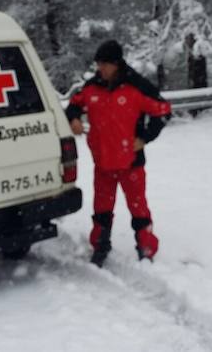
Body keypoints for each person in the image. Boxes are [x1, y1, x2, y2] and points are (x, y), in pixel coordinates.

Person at [66, 40, 172, 267]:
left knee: (138, 207)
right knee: (101, 209)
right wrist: (74, 118)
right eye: (98, 64)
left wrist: (144, 137)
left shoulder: (136, 86)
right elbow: (73, 105)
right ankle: (100, 246)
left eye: (104, 64)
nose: (100, 69)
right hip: (102, 162)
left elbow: (163, 111)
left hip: (130, 162)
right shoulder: (91, 87)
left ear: (116, 64)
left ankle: (146, 247)